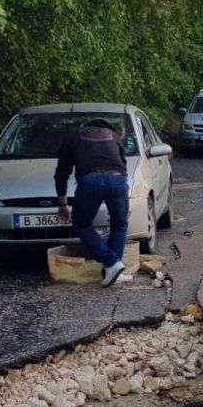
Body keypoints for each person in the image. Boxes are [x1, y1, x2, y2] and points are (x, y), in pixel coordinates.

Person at [55, 118, 133, 287]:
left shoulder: (73, 137)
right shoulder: (114, 136)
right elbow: (123, 167)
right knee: (120, 224)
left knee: (81, 225)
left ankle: (111, 263)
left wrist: (63, 204)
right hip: (117, 181)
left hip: (90, 182)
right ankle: (113, 269)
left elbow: (62, 172)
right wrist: (127, 200)